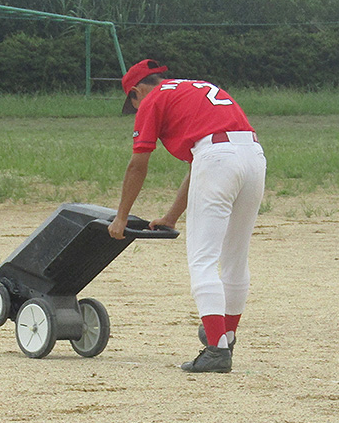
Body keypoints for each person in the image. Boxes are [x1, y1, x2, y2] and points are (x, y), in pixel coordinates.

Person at [107, 59, 267, 373]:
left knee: (202, 259)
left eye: (133, 103)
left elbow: (138, 164)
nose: (136, 110)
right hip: (254, 156)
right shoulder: (196, 87)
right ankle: (226, 335)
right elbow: (200, 163)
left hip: (217, 159)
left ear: (138, 91)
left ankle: (217, 350)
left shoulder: (153, 99)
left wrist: (121, 217)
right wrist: (171, 216)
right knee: (235, 257)